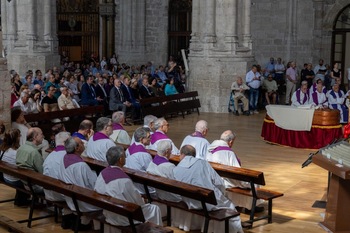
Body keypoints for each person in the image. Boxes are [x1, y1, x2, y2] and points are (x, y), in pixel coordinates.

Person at [173, 145, 244, 233]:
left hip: (190, 202)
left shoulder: (176, 169)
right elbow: (219, 182)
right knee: (230, 207)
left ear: (182, 154)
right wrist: (222, 194)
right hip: (207, 201)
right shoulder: (202, 163)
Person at [94, 146, 162, 231]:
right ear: (120, 159)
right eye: (124, 156)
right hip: (124, 217)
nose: (126, 157)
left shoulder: (102, 174)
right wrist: (142, 200)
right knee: (154, 208)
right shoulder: (124, 179)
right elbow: (138, 203)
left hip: (109, 212)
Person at [206, 130, 264, 212]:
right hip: (224, 182)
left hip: (212, 180)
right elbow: (236, 174)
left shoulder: (209, 149)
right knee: (253, 183)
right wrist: (246, 182)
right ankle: (250, 207)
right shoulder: (228, 153)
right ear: (230, 142)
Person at [58, 136, 100, 230]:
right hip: (83, 202)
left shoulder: (64, 158)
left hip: (71, 199)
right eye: (81, 142)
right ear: (77, 148)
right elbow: (93, 186)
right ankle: (94, 227)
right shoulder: (81, 165)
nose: (84, 143)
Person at [43, 131, 74, 229]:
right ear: (66, 142)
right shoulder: (67, 157)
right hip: (61, 193)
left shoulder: (50, 155)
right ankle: (72, 218)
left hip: (48, 191)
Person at [0, 129, 31, 206]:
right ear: (17, 138)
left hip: (6, 177)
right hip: (14, 180)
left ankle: (20, 199)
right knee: (31, 176)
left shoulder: (3, 149)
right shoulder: (16, 152)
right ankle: (25, 201)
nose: (20, 137)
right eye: (19, 135)